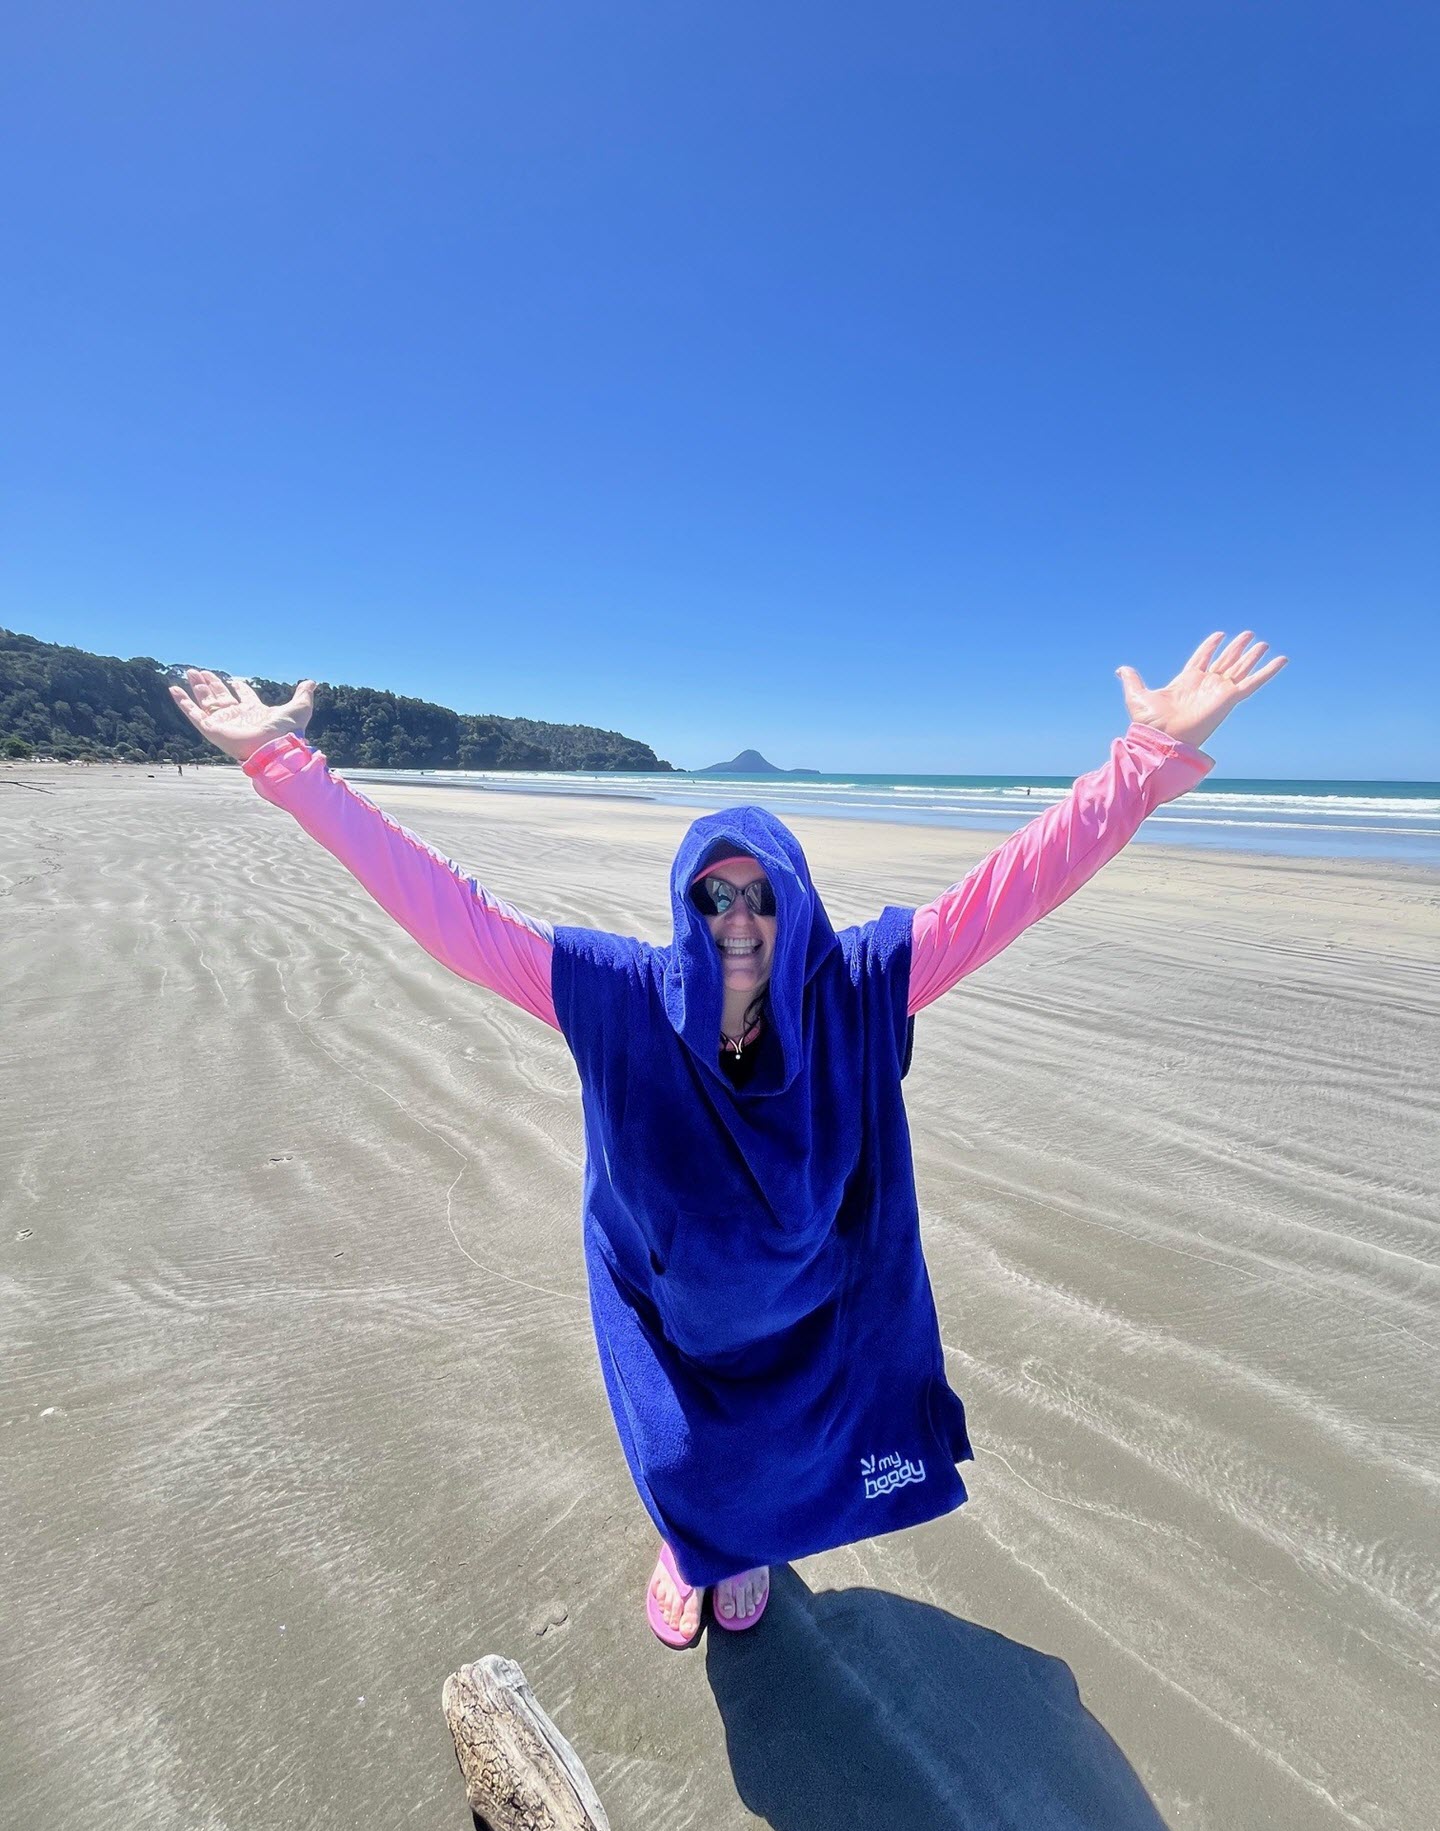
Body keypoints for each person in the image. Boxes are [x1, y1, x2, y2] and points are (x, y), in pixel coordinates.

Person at [169, 632, 1286, 1646]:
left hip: (815, 1300)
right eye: (713, 897)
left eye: (761, 894)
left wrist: (1145, 759)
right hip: (666, 1302)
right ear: (684, 907)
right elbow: (447, 909)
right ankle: (692, 1546)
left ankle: (740, 1550)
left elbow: (1018, 884)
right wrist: (282, 763)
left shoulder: (862, 987)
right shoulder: (614, 994)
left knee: (783, 1459)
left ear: (796, 900)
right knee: (679, 1454)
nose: (738, 920)